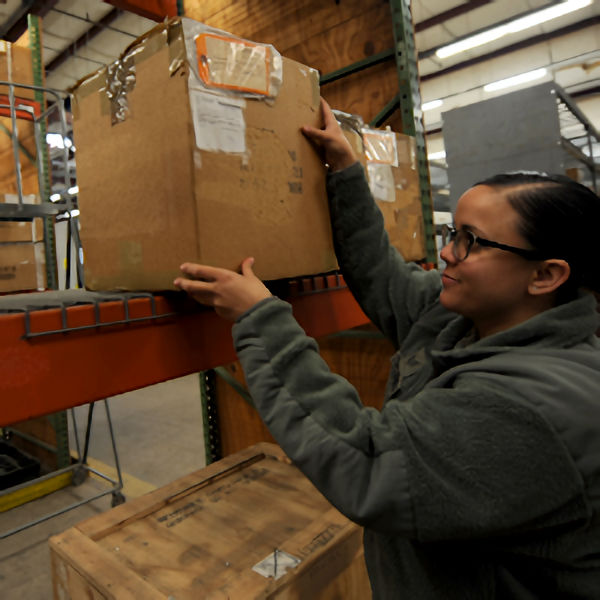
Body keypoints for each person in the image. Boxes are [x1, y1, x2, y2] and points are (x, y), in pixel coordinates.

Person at [174, 98, 600, 599]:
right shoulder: (469, 318)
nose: (446, 251)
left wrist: (259, 317)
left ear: (546, 275)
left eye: (471, 241)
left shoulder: (535, 408)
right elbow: (385, 277)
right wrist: (345, 171)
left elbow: (369, 460)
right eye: (451, 233)